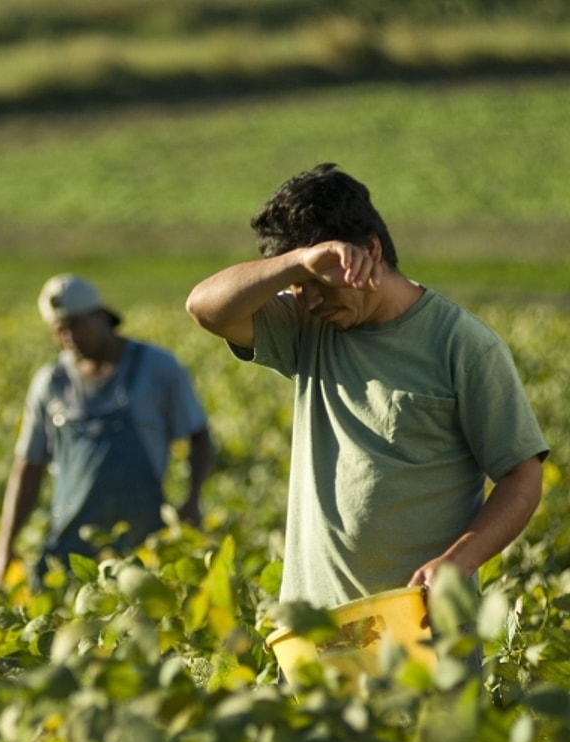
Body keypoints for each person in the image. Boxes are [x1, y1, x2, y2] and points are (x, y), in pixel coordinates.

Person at [184, 163, 549, 613]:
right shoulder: (307, 328)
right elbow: (204, 307)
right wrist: (300, 263)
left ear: (371, 251)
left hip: (421, 623)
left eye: (319, 281)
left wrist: (460, 560)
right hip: (316, 629)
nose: (309, 299)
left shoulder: (462, 345)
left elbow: (522, 476)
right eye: (298, 286)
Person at [0, 274, 213, 587]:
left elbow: (199, 437)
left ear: (101, 316)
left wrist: (193, 499)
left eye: (76, 325)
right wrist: (5, 544)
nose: (69, 337)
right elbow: (29, 466)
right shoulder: (51, 382)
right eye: (59, 330)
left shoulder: (157, 368)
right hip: (71, 546)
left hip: (143, 543)